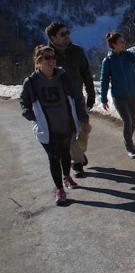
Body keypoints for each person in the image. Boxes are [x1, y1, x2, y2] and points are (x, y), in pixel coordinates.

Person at [20, 46, 91, 206]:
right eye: (47, 58)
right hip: (47, 129)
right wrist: (31, 116)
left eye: (53, 57)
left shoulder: (62, 77)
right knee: (53, 158)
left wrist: (83, 119)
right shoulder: (31, 82)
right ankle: (60, 189)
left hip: (66, 125)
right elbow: (24, 103)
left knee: (65, 154)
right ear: (38, 61)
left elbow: (77, 98)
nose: (51, 60)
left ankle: (67, 176)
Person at [45, 21, 95, 178]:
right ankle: (78, 163)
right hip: (60, 103)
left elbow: (86, 74)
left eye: (67, 32)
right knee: (70, 134)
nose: (67, 36)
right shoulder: (46, 55)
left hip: (78, 98)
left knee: (85, 128)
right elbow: (41, 77)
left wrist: (91, 94)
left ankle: (78, 153)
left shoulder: (77, 51)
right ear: (53, 37)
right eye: (62, 34)